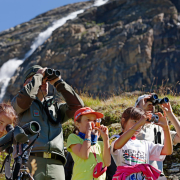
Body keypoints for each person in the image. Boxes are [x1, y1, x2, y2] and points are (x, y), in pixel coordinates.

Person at [11, 65, 84, 180]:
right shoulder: (19, 104)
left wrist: (58, 83)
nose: (43, 82)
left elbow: (78, 107)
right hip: (30, 162)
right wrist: (39, 76)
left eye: (45, 80)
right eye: (38, 79)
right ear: (26, 84)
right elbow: (26, 98)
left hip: (57, 164)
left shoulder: (54, 107)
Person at [110, 107, 172, 180]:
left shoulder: (145, 144)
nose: (139, 125)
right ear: (123, 121)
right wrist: (139, 122)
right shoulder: (115, 138)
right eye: (135, 121)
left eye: (141, 122)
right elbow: (118, 145)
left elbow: (168, 151)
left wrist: (165, 128)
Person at [135, 94, 180, 179]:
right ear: (136, 107)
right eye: (146, 102)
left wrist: (170, 113)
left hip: (158, 176)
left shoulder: (160, 128)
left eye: (152, 104)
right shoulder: (132, 129)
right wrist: (139, 110)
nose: (150, 105)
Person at [67, 107, 111, 180]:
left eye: (94, 120)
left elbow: (107, 163)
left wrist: (105, 138)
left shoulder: (100, 144)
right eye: (88, 120)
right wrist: (88, 132)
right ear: (77, 124)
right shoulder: (73, 138)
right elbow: (84, 155)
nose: (92, 123)